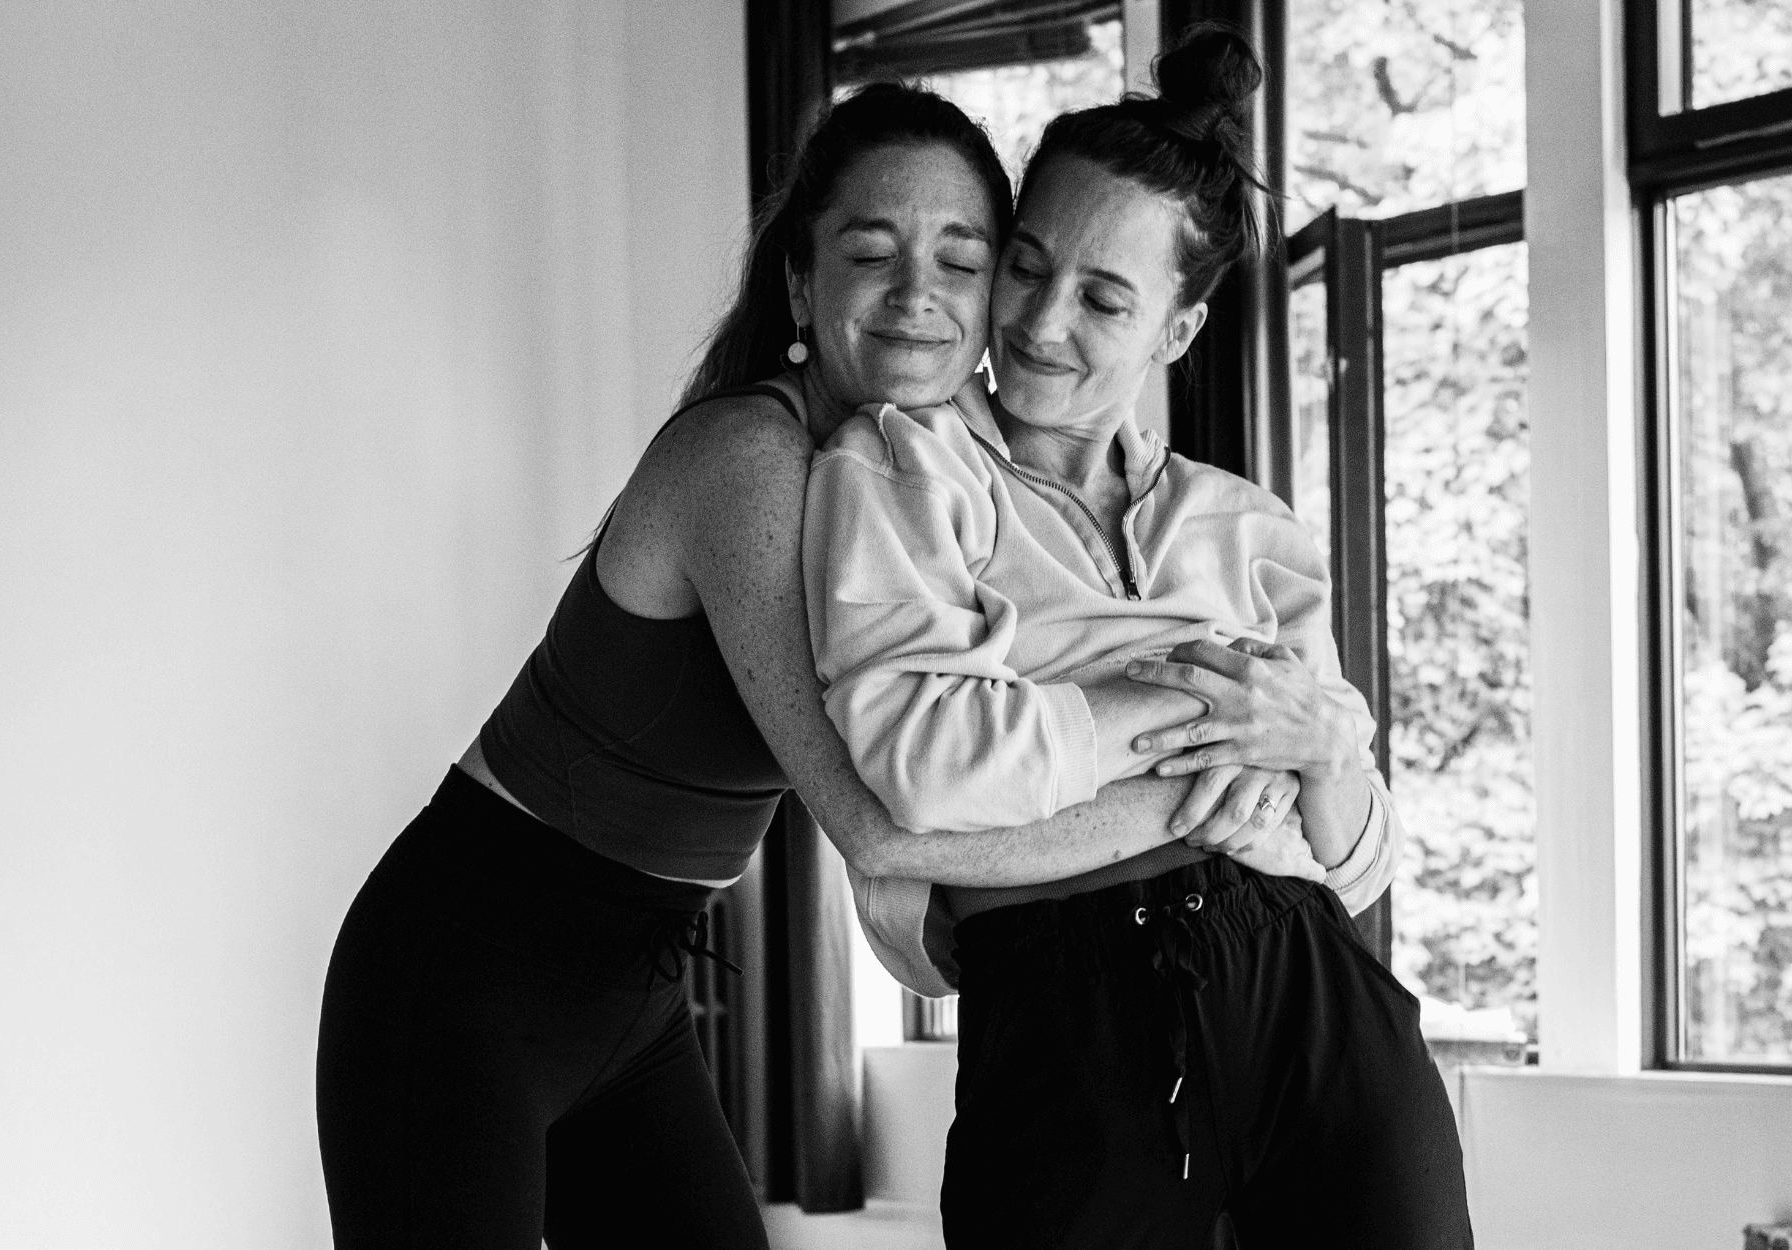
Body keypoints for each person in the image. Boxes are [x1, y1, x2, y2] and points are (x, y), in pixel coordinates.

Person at [313, 80, 1361, 1249]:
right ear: (802, 284)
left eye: (963, 260)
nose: (919, 295)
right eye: (871, 254)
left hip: (632, 993)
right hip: (462, 970)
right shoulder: (749, 462)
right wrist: (1213, 798)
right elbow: (879, 823)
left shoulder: (920, 496)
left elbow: (994, 746)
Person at [805, 29, 1474, 1249]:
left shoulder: (1249, 525)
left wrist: (1323, 746)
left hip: (1313, 990)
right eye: (1025, 266)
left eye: (1105, 298)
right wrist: (1213, 707)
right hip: (1063, 1009)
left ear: (1177, 328)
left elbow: (1360, 859)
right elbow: (921, 761)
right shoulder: (902, 465)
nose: (1039, 321)